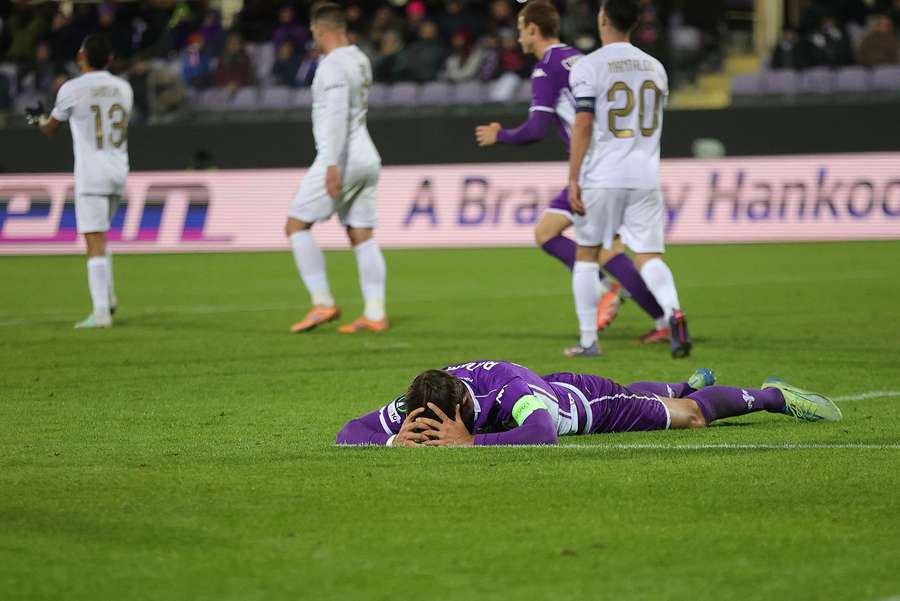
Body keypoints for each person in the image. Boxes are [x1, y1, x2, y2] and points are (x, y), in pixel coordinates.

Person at [475, 0, 667, 349]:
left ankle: (627, 304)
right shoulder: (577, 57)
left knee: (591, 247)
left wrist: (499, 134)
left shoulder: (547, 68)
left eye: (520, 28)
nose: (518, 36)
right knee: (562, 235)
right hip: (620, 159)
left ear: (533, 29)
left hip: (596, 169)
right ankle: (646, 310)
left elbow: (535, 129)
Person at [567, 0, 691, 358]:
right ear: (636, 22)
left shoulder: (589, 66)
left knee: (587, 255)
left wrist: (573, 177)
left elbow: (585, 122)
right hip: (646, 175)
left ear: (602, 18)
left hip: (604, 173)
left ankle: (589, 340)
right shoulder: (656, 67)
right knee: (648, 255)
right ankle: (672, 312)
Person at [335, 360, 842, 446]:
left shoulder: (508, 390)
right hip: (549, 387)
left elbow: (542, 434)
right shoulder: (422, 399)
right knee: (652, 390)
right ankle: (681, 382)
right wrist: (393, 442)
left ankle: (775, 396)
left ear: (465, 408)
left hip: (583, 405)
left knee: (690, 418)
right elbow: (348, 433)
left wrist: (469, 443)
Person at [285, 3, 386, 334]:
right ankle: (375, 313)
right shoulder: (359, 59)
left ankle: (322, 302)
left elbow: (337, 115)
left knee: (296, 226)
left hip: (344, 158)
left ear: (320, 30)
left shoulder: (332, 65)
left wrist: (331, 164)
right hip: (367, 154)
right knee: (361, 234)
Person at [25, 35, 133, 329]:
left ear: (80, 56)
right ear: (109, 59)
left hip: (91, 174)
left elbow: (51, 129)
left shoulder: (71, 89)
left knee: (93, 240)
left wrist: (37, 120)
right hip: (118, 171)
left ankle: (100, 314)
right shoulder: (124, 88)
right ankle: (108, 300)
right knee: (101, 236)